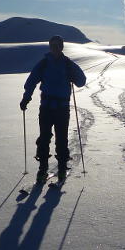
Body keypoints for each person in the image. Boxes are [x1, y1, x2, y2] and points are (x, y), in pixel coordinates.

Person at [20, 35, 87, 183]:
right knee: (44, 138)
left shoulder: (68, 64)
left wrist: (73, 75)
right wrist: (26, 98)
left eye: (57, 46)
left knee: (61, 139)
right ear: (50, 47)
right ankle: (42, 170)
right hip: (46, 107)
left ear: (62, 47)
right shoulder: (44, 64)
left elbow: (82, 81)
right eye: (53, 46)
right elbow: (31, 81)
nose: (55, 48)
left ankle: (61, 169)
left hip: (62, 108)